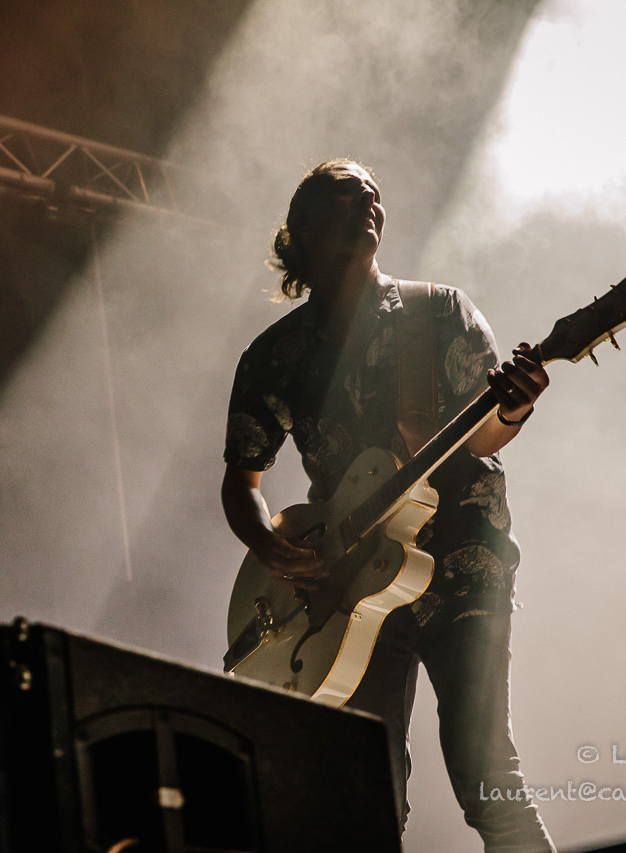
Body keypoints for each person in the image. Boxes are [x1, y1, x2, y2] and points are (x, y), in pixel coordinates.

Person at [221, 159, 556, 851]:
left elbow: (483, 435)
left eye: (372, 196)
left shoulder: (439, 312)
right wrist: (269, 545)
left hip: (464, 562)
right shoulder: (275, 355)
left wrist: (514, 408)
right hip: (352, 584)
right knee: (369, 795)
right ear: (303, 228)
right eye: (346, 197)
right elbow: (241, 479)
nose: (367, 205)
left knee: (487, 776)